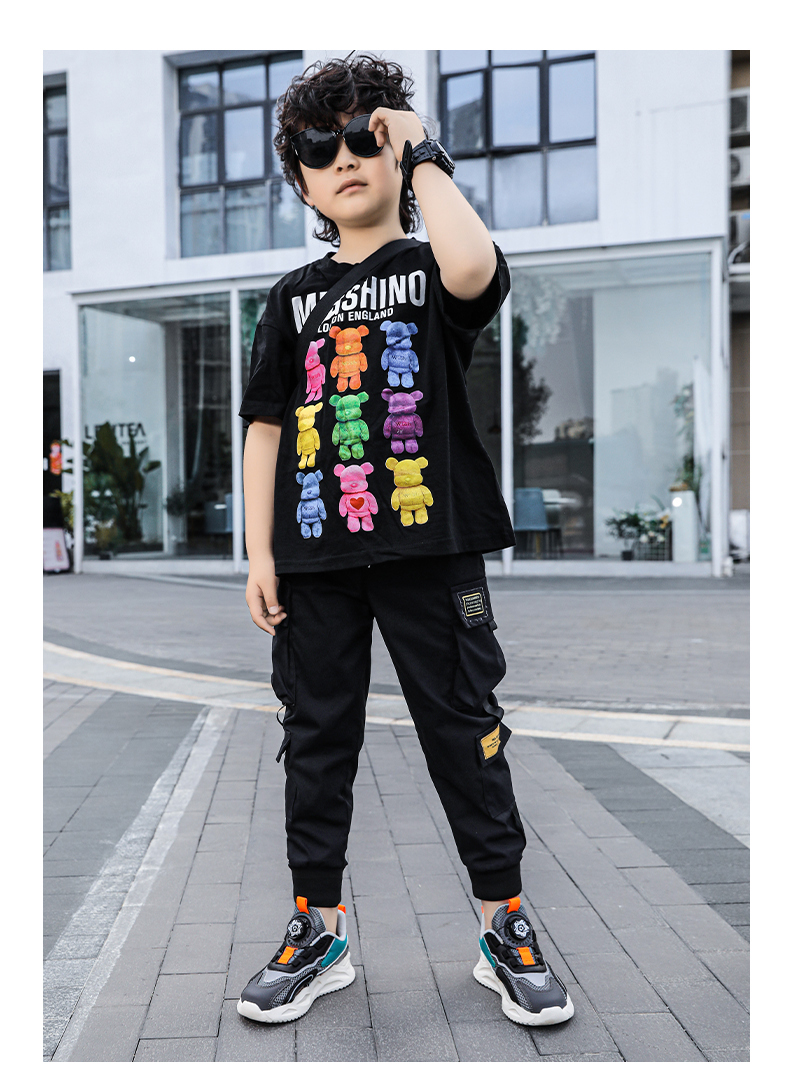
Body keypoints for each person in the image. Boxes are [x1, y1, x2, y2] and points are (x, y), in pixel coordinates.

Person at [236, 52, 573, 1029]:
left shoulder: (428, 268)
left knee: (466, 732)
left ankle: (504, 924)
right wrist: (259, 553)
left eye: (362, 136)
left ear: (393, 151)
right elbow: (265, 427)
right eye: (317, 147)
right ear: (300, 182)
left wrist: (421, 150)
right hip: (313, 558)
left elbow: (474, 268)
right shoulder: (291, 297)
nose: (343, 157)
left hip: (432, 547)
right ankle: (318, 927)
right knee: (315, 740)